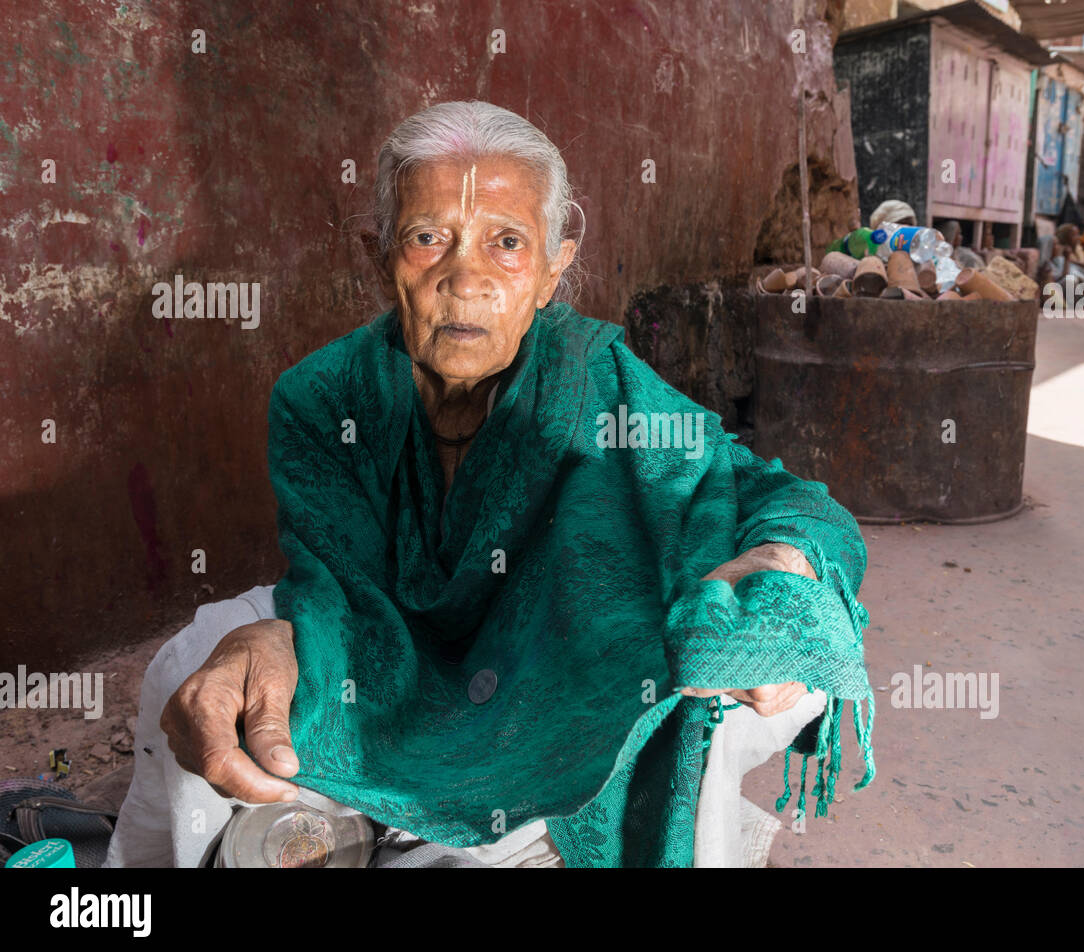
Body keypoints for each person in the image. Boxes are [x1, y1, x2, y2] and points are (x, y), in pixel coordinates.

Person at [106, 101, 877, 869]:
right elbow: (339, 592)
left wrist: (782, 560)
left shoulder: (599, 388)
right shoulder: (322, 399)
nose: (464, 278)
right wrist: (284, 634)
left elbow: (783, 499)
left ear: (551, 267)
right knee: (196, 663)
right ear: (380, 258)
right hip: (391, 651)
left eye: (506, 243)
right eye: (427, 238)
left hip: (558, 666)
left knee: (737, 652)